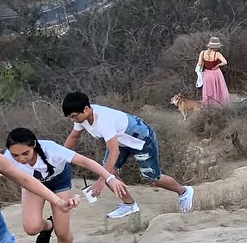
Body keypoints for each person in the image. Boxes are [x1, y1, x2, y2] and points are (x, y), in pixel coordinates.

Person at [3, 126, 131, 243]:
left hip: (59, 182)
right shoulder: (7, 158)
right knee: (31, 228)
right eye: (15, 155)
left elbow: (85, 162)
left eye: (25, 153)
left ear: (34, 145)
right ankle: (47, 226)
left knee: (62, 232)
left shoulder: (51, 149)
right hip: (32, 185)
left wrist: (109, 178)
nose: (21, 159)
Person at [61, 92, 194, 219]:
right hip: (121, 142)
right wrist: (61, 156)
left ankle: (184, 192)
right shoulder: (81, 119)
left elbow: (114, 152)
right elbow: (74, 136)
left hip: (142, 140)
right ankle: (129, 204)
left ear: (86, 109)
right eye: (71, 117)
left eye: (74, 116)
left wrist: (101, 181)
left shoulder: (104, 120)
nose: (73, 120)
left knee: (152, 178)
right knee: (108, 172)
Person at [197, 36, 229, 108]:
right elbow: (225, 62)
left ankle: (208, 105)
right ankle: (218, 105)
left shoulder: (202, 53)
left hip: (206, 74)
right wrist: (218, 65)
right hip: (216, 73)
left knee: (208, 90)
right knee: (217, 89)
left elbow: (199, 64)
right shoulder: (217, 54)